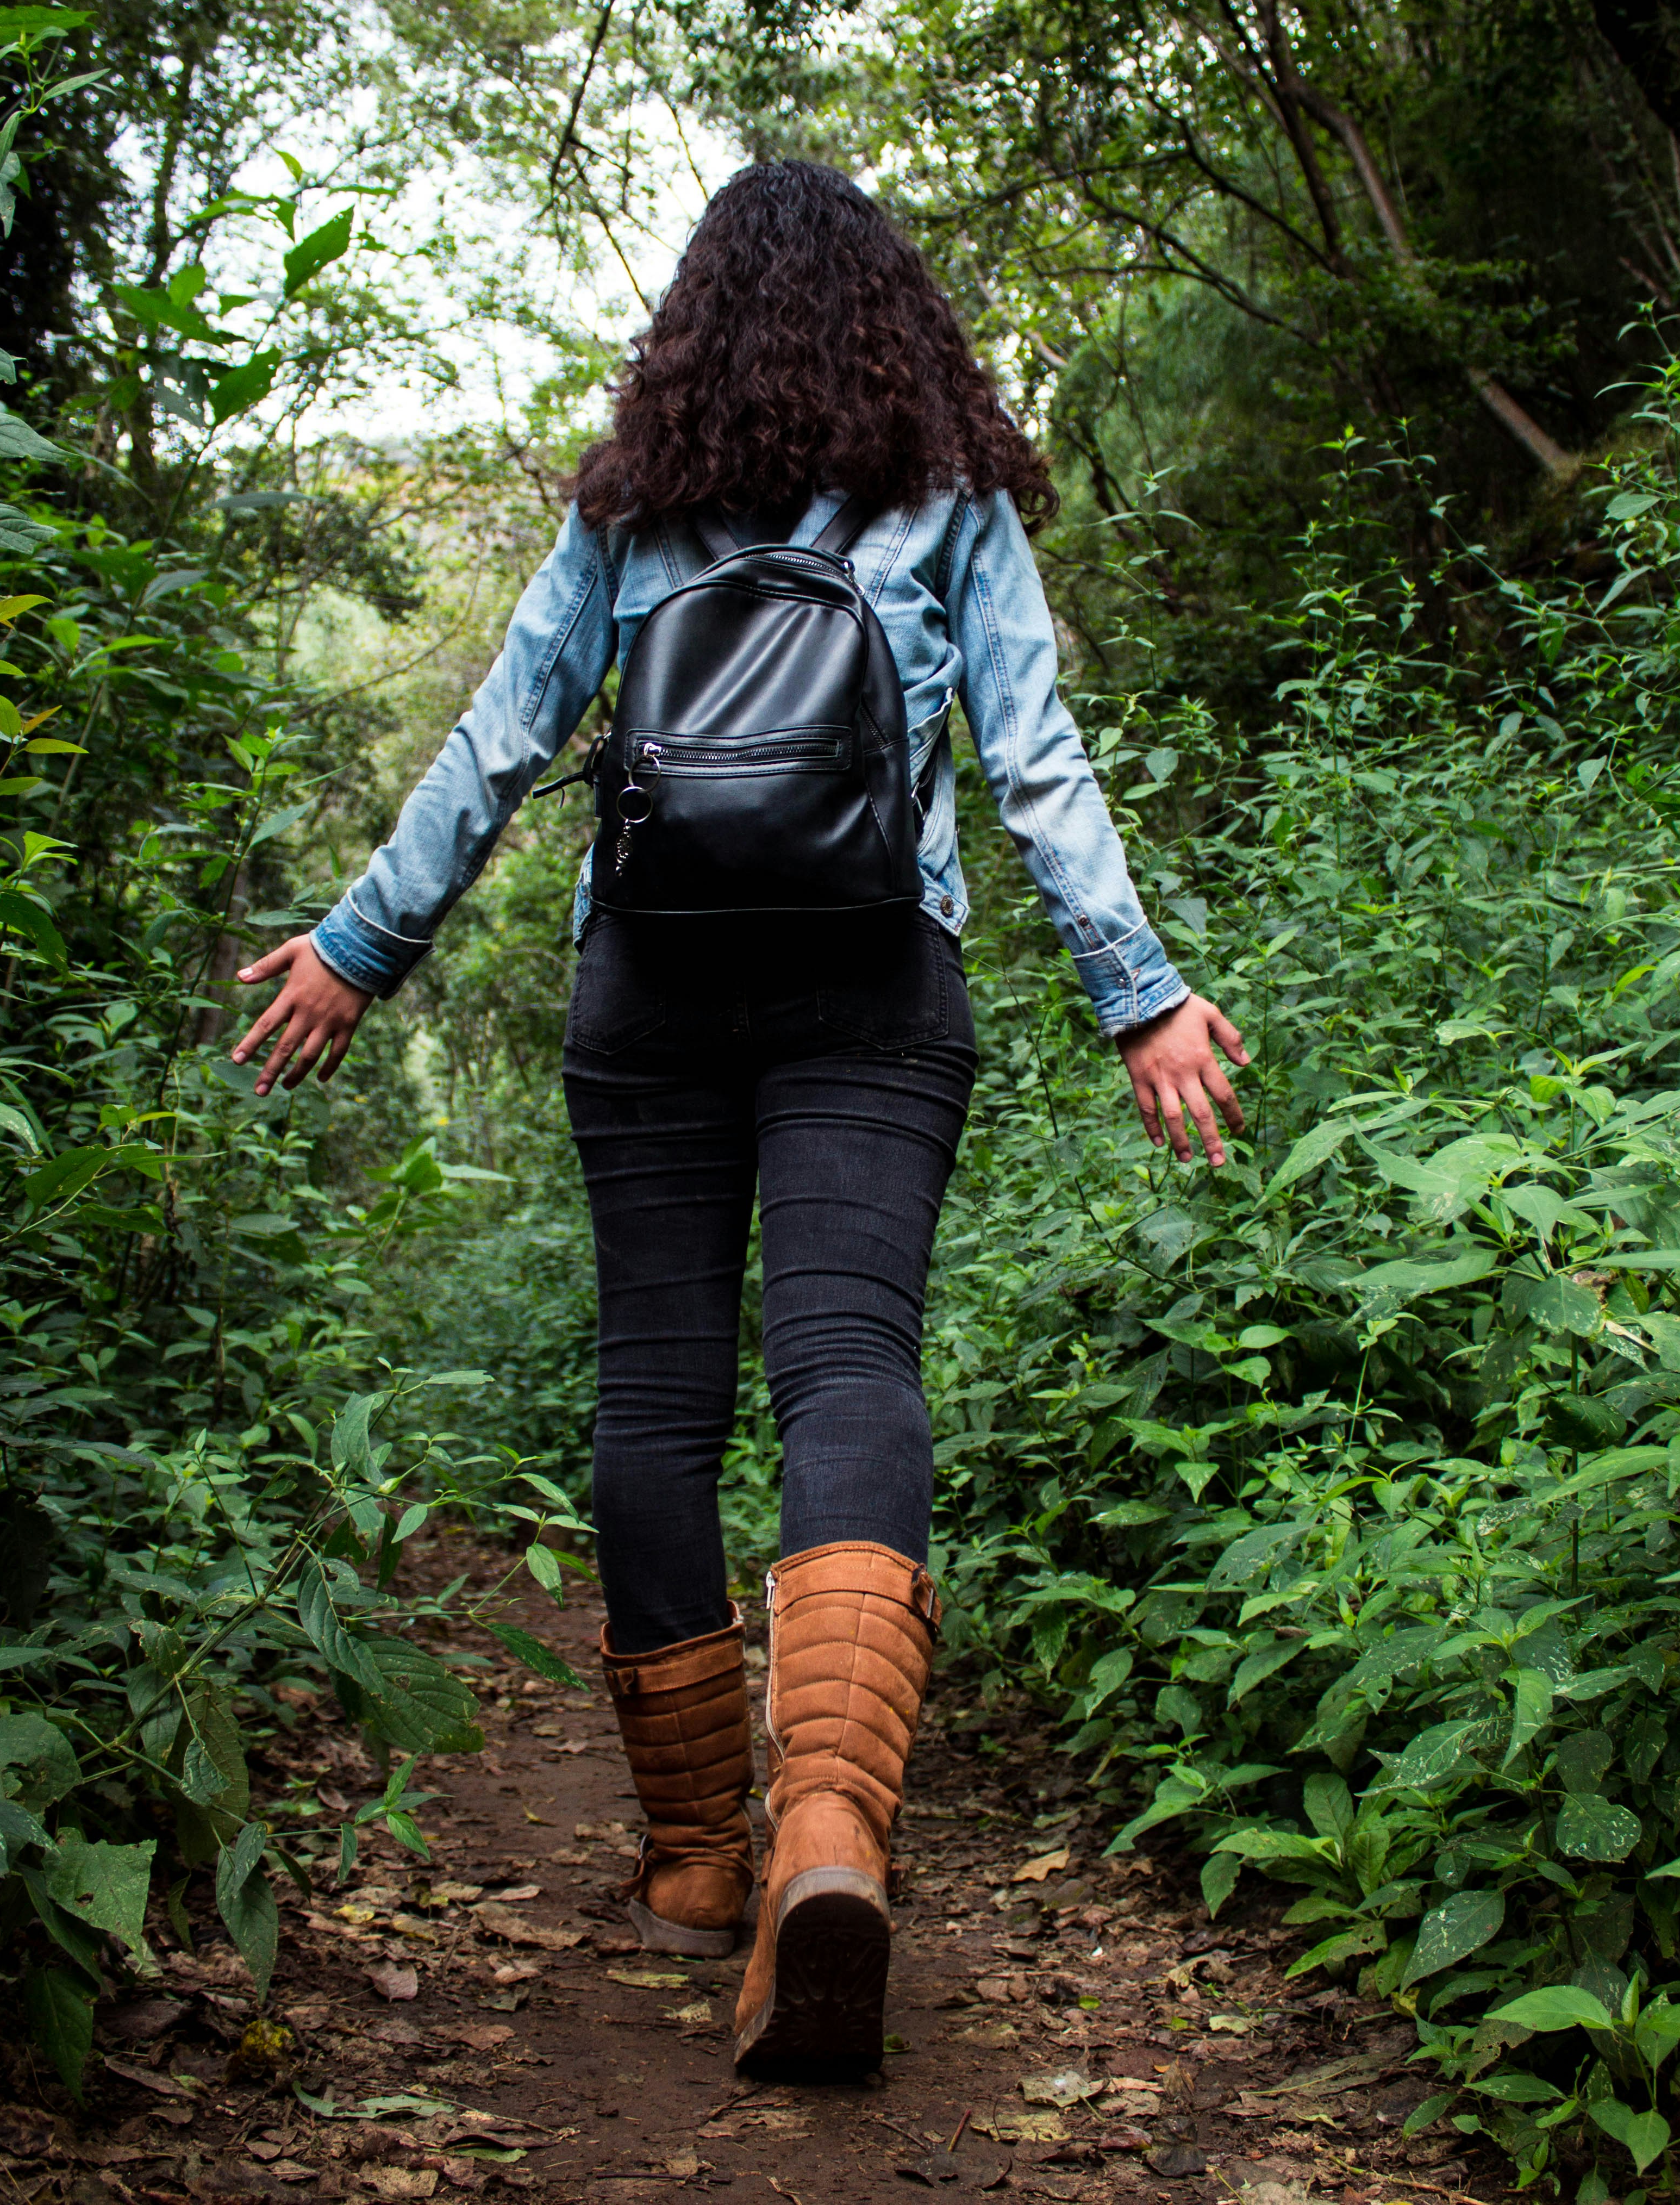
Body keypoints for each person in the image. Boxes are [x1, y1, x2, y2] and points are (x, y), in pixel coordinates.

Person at [229, 159, 1248, 2072]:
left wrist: (363, 945)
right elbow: (1038, 764)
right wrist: (1142, 997)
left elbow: (505, 734)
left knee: (655, 1391)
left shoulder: (633, 506)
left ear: (692, 323)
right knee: (848, 1356)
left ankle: (703, 1855)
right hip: (878, 972)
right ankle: (831, 1832)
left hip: (654, 981)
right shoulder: (948, 500)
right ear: (898, 317)